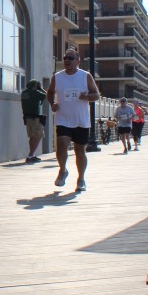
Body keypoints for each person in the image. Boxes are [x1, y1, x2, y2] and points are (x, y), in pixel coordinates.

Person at [46, 48, 100, 192]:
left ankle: (81, 179)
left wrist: (87, 97)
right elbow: (49, 92)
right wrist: (52, 103)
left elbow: (96, 95)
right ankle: (63, 170)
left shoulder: (85, 76)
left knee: (80, 150)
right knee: (61, 145)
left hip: (81, 120)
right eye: (65, 58)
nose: (67, 60)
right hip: (63, 118)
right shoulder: (57, 77)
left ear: (78, 61)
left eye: (70, 58)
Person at [20, 79, 46, 163]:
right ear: (35, 86)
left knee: (32, 136)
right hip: (35, 117)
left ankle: (32, 154)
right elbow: (46, 95)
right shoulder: (35, 92)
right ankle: (31, 155)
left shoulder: (24, 93)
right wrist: (41, 88)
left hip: (27, 117)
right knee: (38, 135)